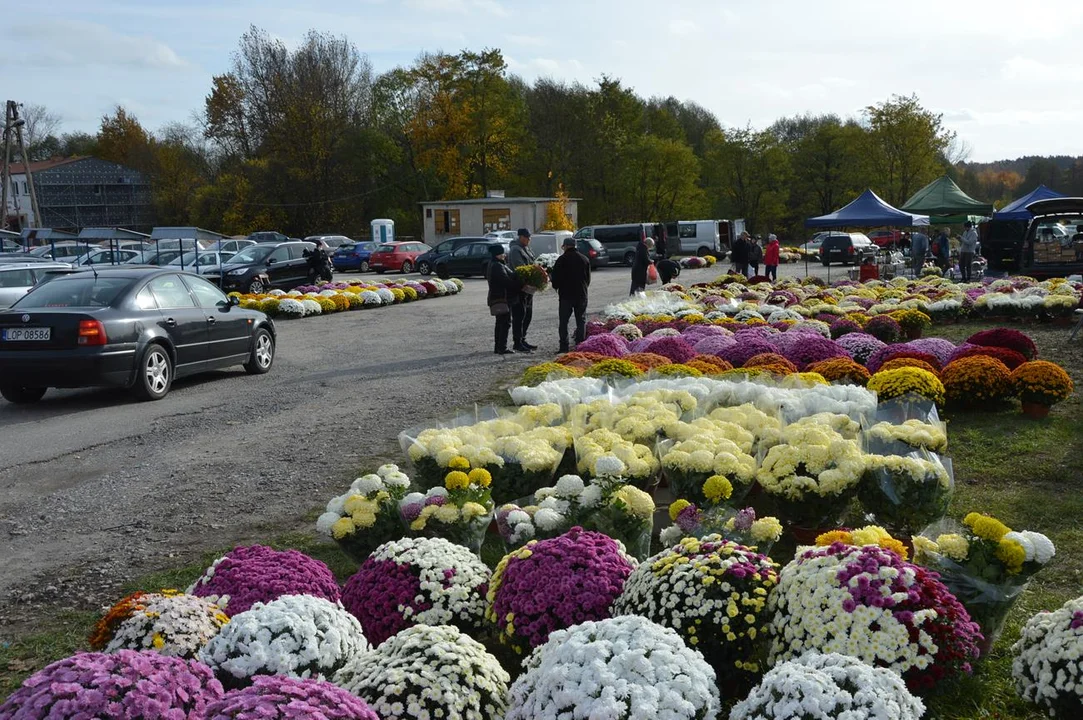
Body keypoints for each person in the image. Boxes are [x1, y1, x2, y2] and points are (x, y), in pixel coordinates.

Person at [550, 236, 592, 353]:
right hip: (581, 294)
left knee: (564, 322)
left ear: (566, 246)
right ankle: (580, 346)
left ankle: (564, 347)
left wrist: (556, 286)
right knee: (581, 320)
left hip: (566, 295)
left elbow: (556, 280)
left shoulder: (561, 260)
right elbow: (588, 279)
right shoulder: (585, 259)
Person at [486, 245, 519, 355]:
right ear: (497, 255)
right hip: (501, 298)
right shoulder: (498, 266)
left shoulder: (494, 264)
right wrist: (519, 285)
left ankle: (498, 346)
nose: (504, 255)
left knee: (500, 322)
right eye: (502, 254)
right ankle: (502, 347)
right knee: (505, 323)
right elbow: (506, 281)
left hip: (497, 297)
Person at [507, 228, 536, 353]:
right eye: (527, 237)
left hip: (528, 288)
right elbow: (520, 268)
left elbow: (533, 262)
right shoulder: (515, 250)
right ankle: (517, 342)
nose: (529, 240)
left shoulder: (526, 248)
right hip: (519, 287)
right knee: (519, 315)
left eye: (530, 237)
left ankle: (522, 338)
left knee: (527, 314)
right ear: (521, 237)